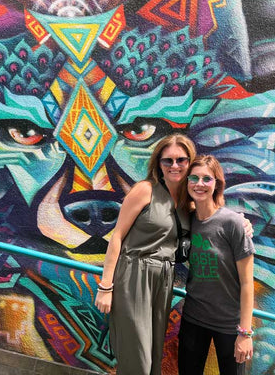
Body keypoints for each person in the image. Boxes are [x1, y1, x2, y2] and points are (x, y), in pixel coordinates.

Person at [94, 134, 252, 375]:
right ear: (158, 163)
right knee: (138, 357)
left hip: (163, 281)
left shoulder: (187, 204)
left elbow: (212, 216)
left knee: (154, 355)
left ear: (189, 162)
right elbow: (117, 236)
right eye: (168, 161)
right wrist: (106, 286)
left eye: (181, 160)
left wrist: (242, 222)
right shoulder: (144, 190)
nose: (175, 166)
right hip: (135, 275)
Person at [177, 155, 255, 375]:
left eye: (206, 179)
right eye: (194, 178)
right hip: (193, 319)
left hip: (229, 326)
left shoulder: (233, 223)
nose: (199, 184)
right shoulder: (186, 220)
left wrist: (245, 333)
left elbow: (248, 284)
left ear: (217, 184)